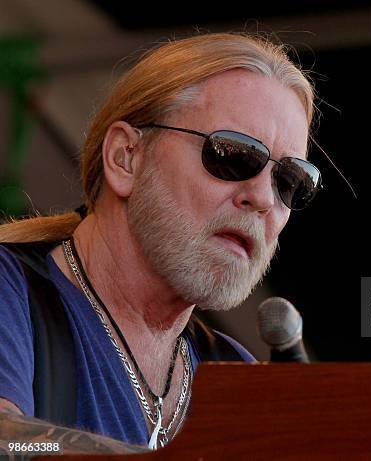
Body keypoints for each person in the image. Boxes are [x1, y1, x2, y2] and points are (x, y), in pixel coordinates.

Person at [0, 32, 321, 454]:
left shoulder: (234, 371)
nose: (262, 198)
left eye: (289, 181)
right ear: (125, 157)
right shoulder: (11, 290)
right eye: (233, 155)